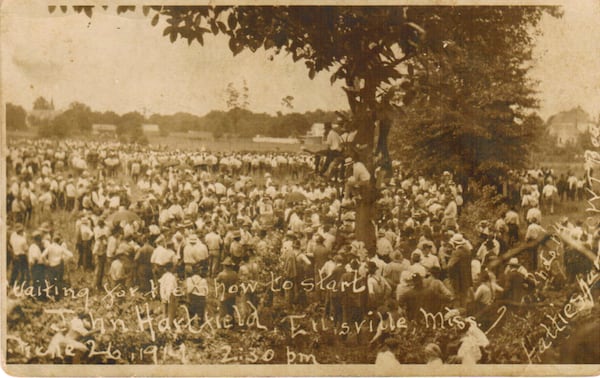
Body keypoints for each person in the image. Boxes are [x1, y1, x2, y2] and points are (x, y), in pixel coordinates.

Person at [446, 233, 473, 308]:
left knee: (456, 298)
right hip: (466, 279)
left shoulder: (456, 252)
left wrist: (451, 276)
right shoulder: (467, 251)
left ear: (454, 243)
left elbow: (450, 265)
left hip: (457, 280)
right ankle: (464, 314)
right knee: (464, 298)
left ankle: (457, 315)